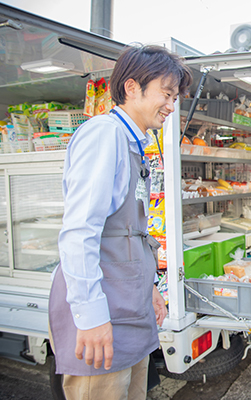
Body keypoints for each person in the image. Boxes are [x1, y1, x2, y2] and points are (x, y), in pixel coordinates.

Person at [49, 45, 192, 399]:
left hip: (128, 307)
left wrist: (151, 291)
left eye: (175, 97)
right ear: (131, 88)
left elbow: (128, 233)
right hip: (104, 315)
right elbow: (80, 232)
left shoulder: (133, 141)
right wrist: (91, 317)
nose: (171, 106)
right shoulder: (105, 134)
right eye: (167, 93)